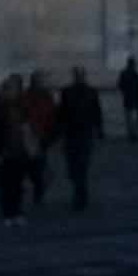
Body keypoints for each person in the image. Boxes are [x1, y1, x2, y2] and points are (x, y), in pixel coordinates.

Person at [57, 66, 105, 210]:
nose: (78, 77)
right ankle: (80, 192)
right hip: (71, 134)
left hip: (84, 134)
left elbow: (97, 112)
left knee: (81, 166)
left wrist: (99, 129)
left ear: (83, 76)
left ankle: (80, 195)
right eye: (77, 75)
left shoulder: (91, 92)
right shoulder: (67, 92)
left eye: (80, 75)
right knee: (73, 167)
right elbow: (62, 113)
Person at [0, 75, 29, 225]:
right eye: (12, 89)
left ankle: (17, 211)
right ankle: (7, 213)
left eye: (17, 88)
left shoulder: (21, 107)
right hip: (5, 152)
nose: (14, 92)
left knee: (18, 185)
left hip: (19, 151)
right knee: (6, 185)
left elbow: (27, 129)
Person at [22, 73, 59, 207]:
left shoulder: (47, 97)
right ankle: (39, 185)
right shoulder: (26, 96)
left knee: (38, 164)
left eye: (39, 81)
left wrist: (53, 133)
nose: (37, 84)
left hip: (43, 135)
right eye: (35, 81)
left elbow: (53, 116)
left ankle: (39, 191)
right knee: (32, 165)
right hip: (29, 136)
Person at [118, 56, 138, 143]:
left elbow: (120, 85)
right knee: (135, 116)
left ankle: (132, 132)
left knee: (131, 116)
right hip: (133, 97)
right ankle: (134, 132)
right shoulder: (134, 74)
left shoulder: (128, 73)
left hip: (130, 97)